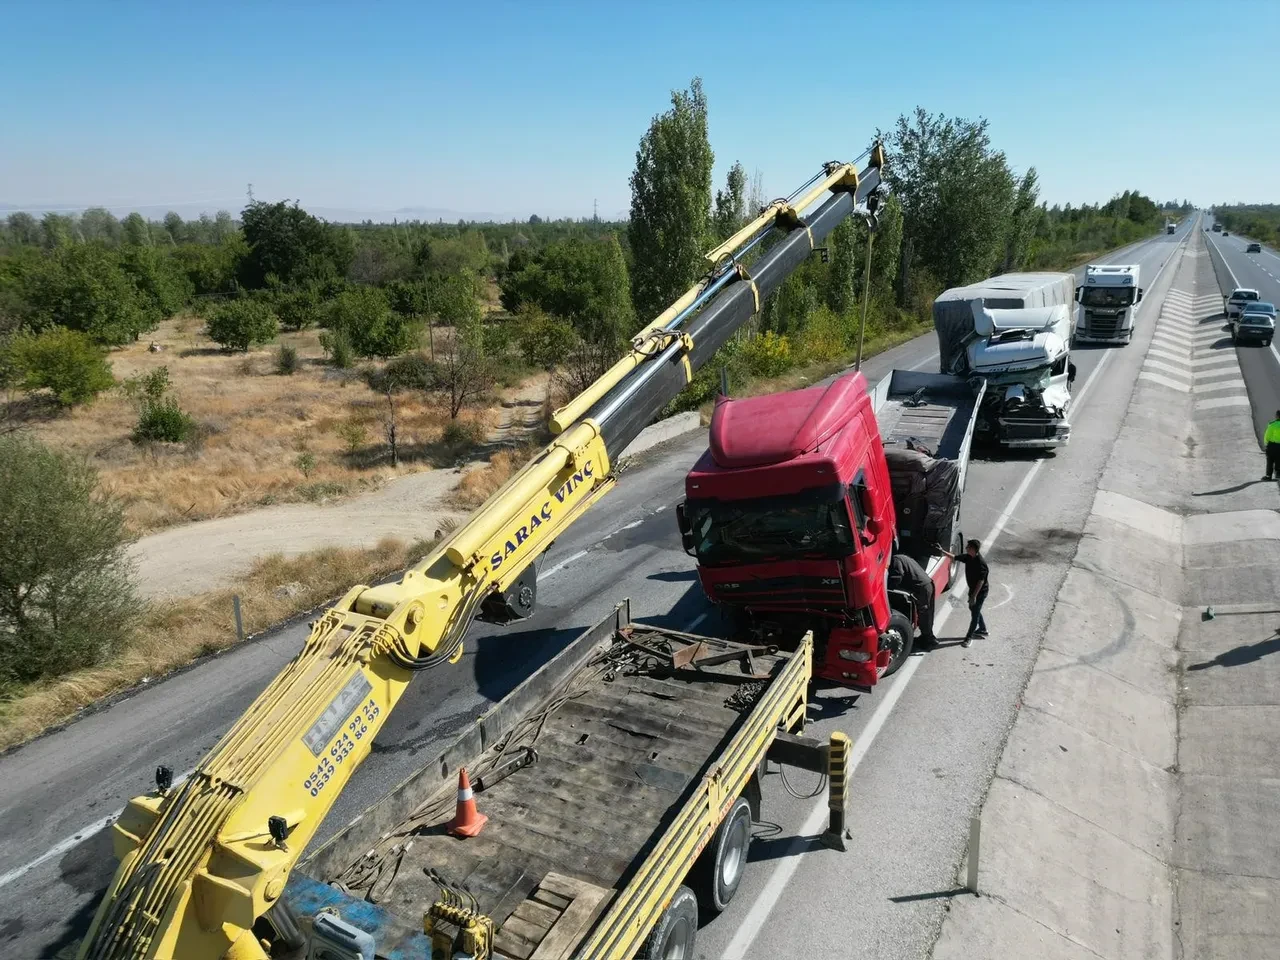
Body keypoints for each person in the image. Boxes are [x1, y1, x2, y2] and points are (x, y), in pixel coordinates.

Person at [937, 539, 989, 647]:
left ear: (974, 549)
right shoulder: (968, 557)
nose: (966, 548)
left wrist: (974, 596)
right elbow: (955, 557)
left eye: (968, 547)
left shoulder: (981, 564)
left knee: (974, 614)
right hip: (973, 590)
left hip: (980, 592)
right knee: (974, 609)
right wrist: (942, 551)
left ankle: (968, 638)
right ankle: (983, 629)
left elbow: (981, 581)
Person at [887, 552, 937, 649]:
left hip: (922, 588)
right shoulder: (903, 557)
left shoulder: (896, 559)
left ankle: (929, 642)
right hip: (926, 585)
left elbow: (898, 577)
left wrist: (887, 587)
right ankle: (926, 637)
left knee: (924, 615)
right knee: (927, 614)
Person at [1264, 410, 1280, 481]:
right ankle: (1278, 473)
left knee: (1270, 460)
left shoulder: (1272, 425)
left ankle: (1268, 476)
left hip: (1272, 445)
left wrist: (1266, 444)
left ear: (1276, 416)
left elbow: (1267, 436)